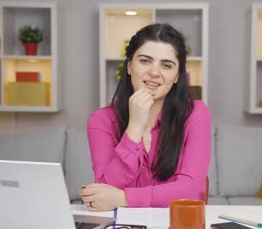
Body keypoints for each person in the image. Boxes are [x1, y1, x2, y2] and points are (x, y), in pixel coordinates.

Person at [79, 23, 211, 211]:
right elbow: (104, 193)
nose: (154, 72)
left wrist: (125, 198)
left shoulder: (196, 113)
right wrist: (134, 127)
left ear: (176, 76)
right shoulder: (101, 120)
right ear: (129, 66)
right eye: (145, 61)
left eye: (166, 65)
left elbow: (191, 191)